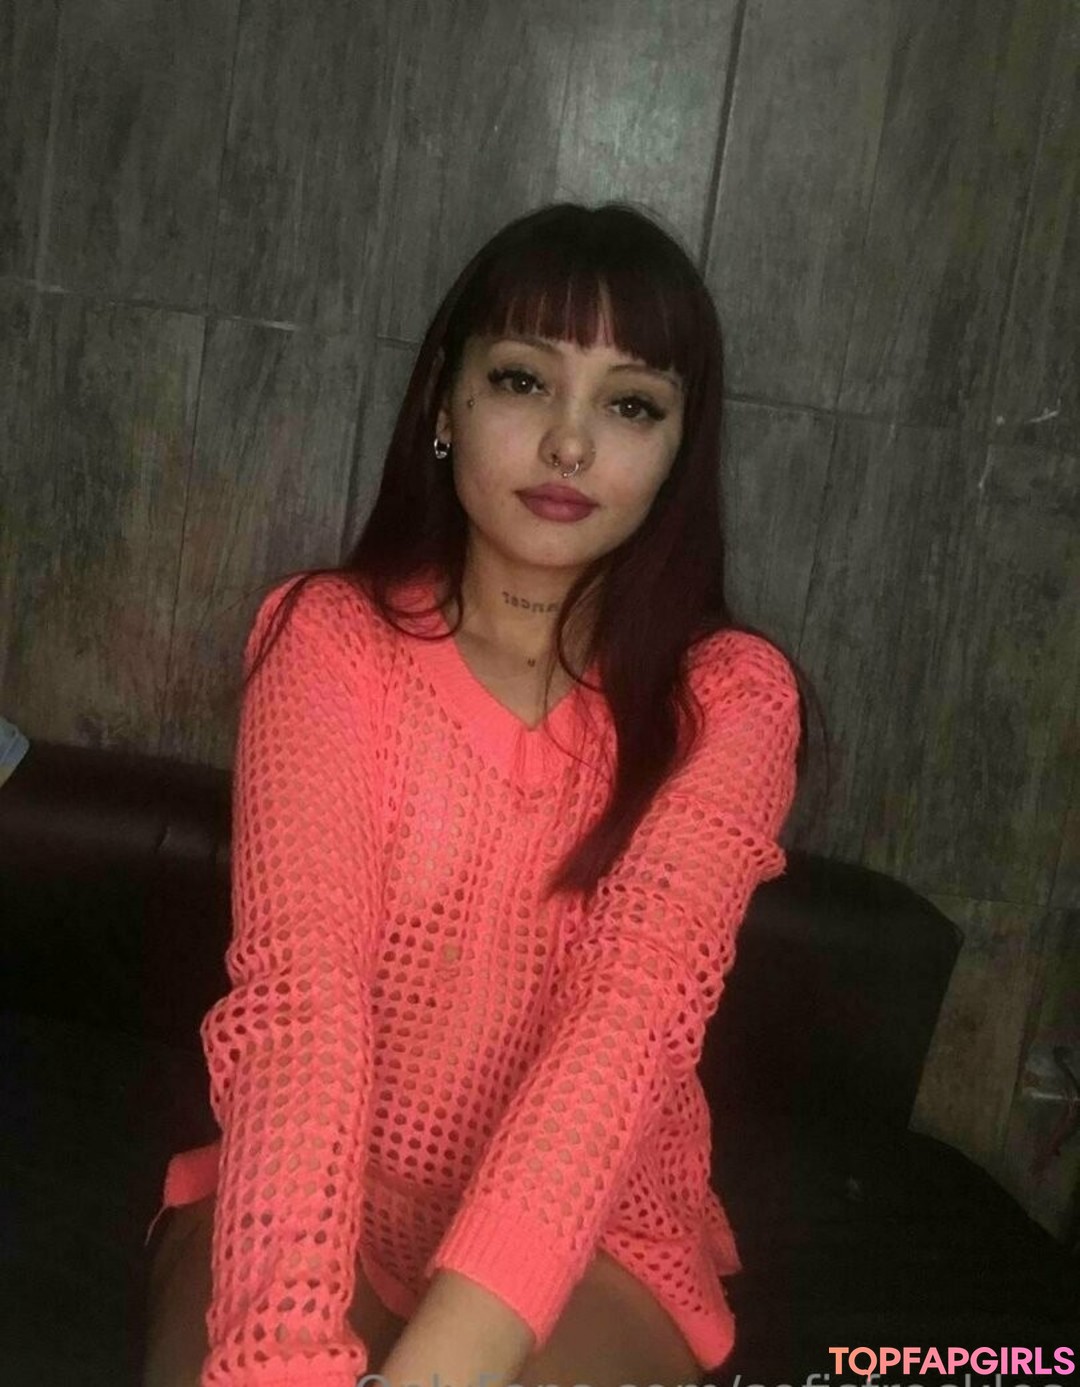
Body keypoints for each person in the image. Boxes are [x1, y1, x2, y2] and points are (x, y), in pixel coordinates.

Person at [141, 200, 821, 1387]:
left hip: (597, 1226)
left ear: (678, 451)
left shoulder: (731, 700)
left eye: (629, 404)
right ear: (445, 407)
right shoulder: (328, 642)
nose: (570, 444)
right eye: (522, 380)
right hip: (324, 1192)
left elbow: (625, 1032)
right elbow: (300, 1007)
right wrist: (284, 1351)